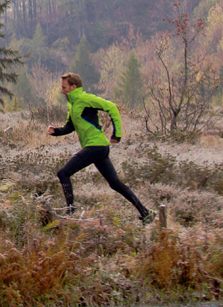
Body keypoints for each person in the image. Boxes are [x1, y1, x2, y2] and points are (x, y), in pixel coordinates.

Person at [50, 71, 153, 224]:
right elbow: (70, 127)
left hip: (96, 146)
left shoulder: (85, 98)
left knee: (63, 173)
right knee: (115, 183)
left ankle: (70, 212)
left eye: (64, 88)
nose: (61, 91)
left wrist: (117, 134)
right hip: (98, 148)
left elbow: (112, 107)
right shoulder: (72, 104)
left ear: (73, 87)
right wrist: (55, 131)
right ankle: (145, 213)